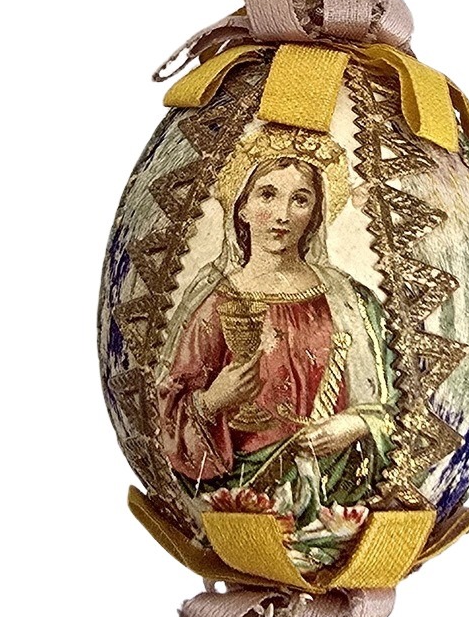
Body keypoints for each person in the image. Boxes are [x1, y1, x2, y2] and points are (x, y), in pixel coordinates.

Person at [155, 129, 395, 560]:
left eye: (300, 200)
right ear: (243, 207)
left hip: (339, 491)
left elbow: (399, 403)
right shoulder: (216, 303)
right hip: (245, 497)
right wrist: (212, 401)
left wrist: (358, 425)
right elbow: (166, 413)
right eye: (267, 194)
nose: (282, 215)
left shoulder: (350, 302)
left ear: (315, 214)